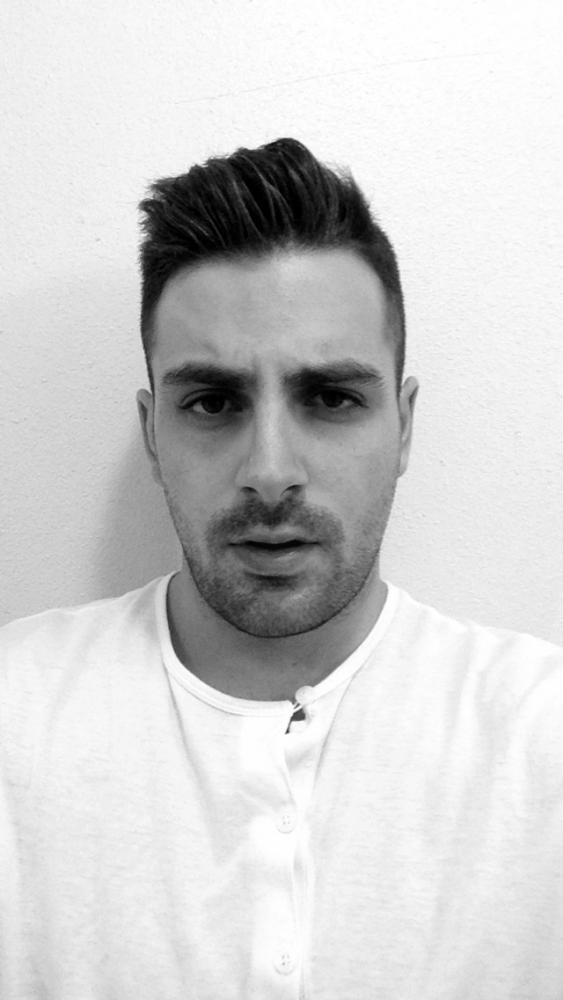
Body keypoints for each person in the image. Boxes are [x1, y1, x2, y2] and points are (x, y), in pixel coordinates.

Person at [1, 138, 562, 1000]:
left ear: (403, 426)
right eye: (212, 401)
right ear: (152, 433)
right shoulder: (16, 718)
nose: (269, 471)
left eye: (331, 398)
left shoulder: (537, 737)